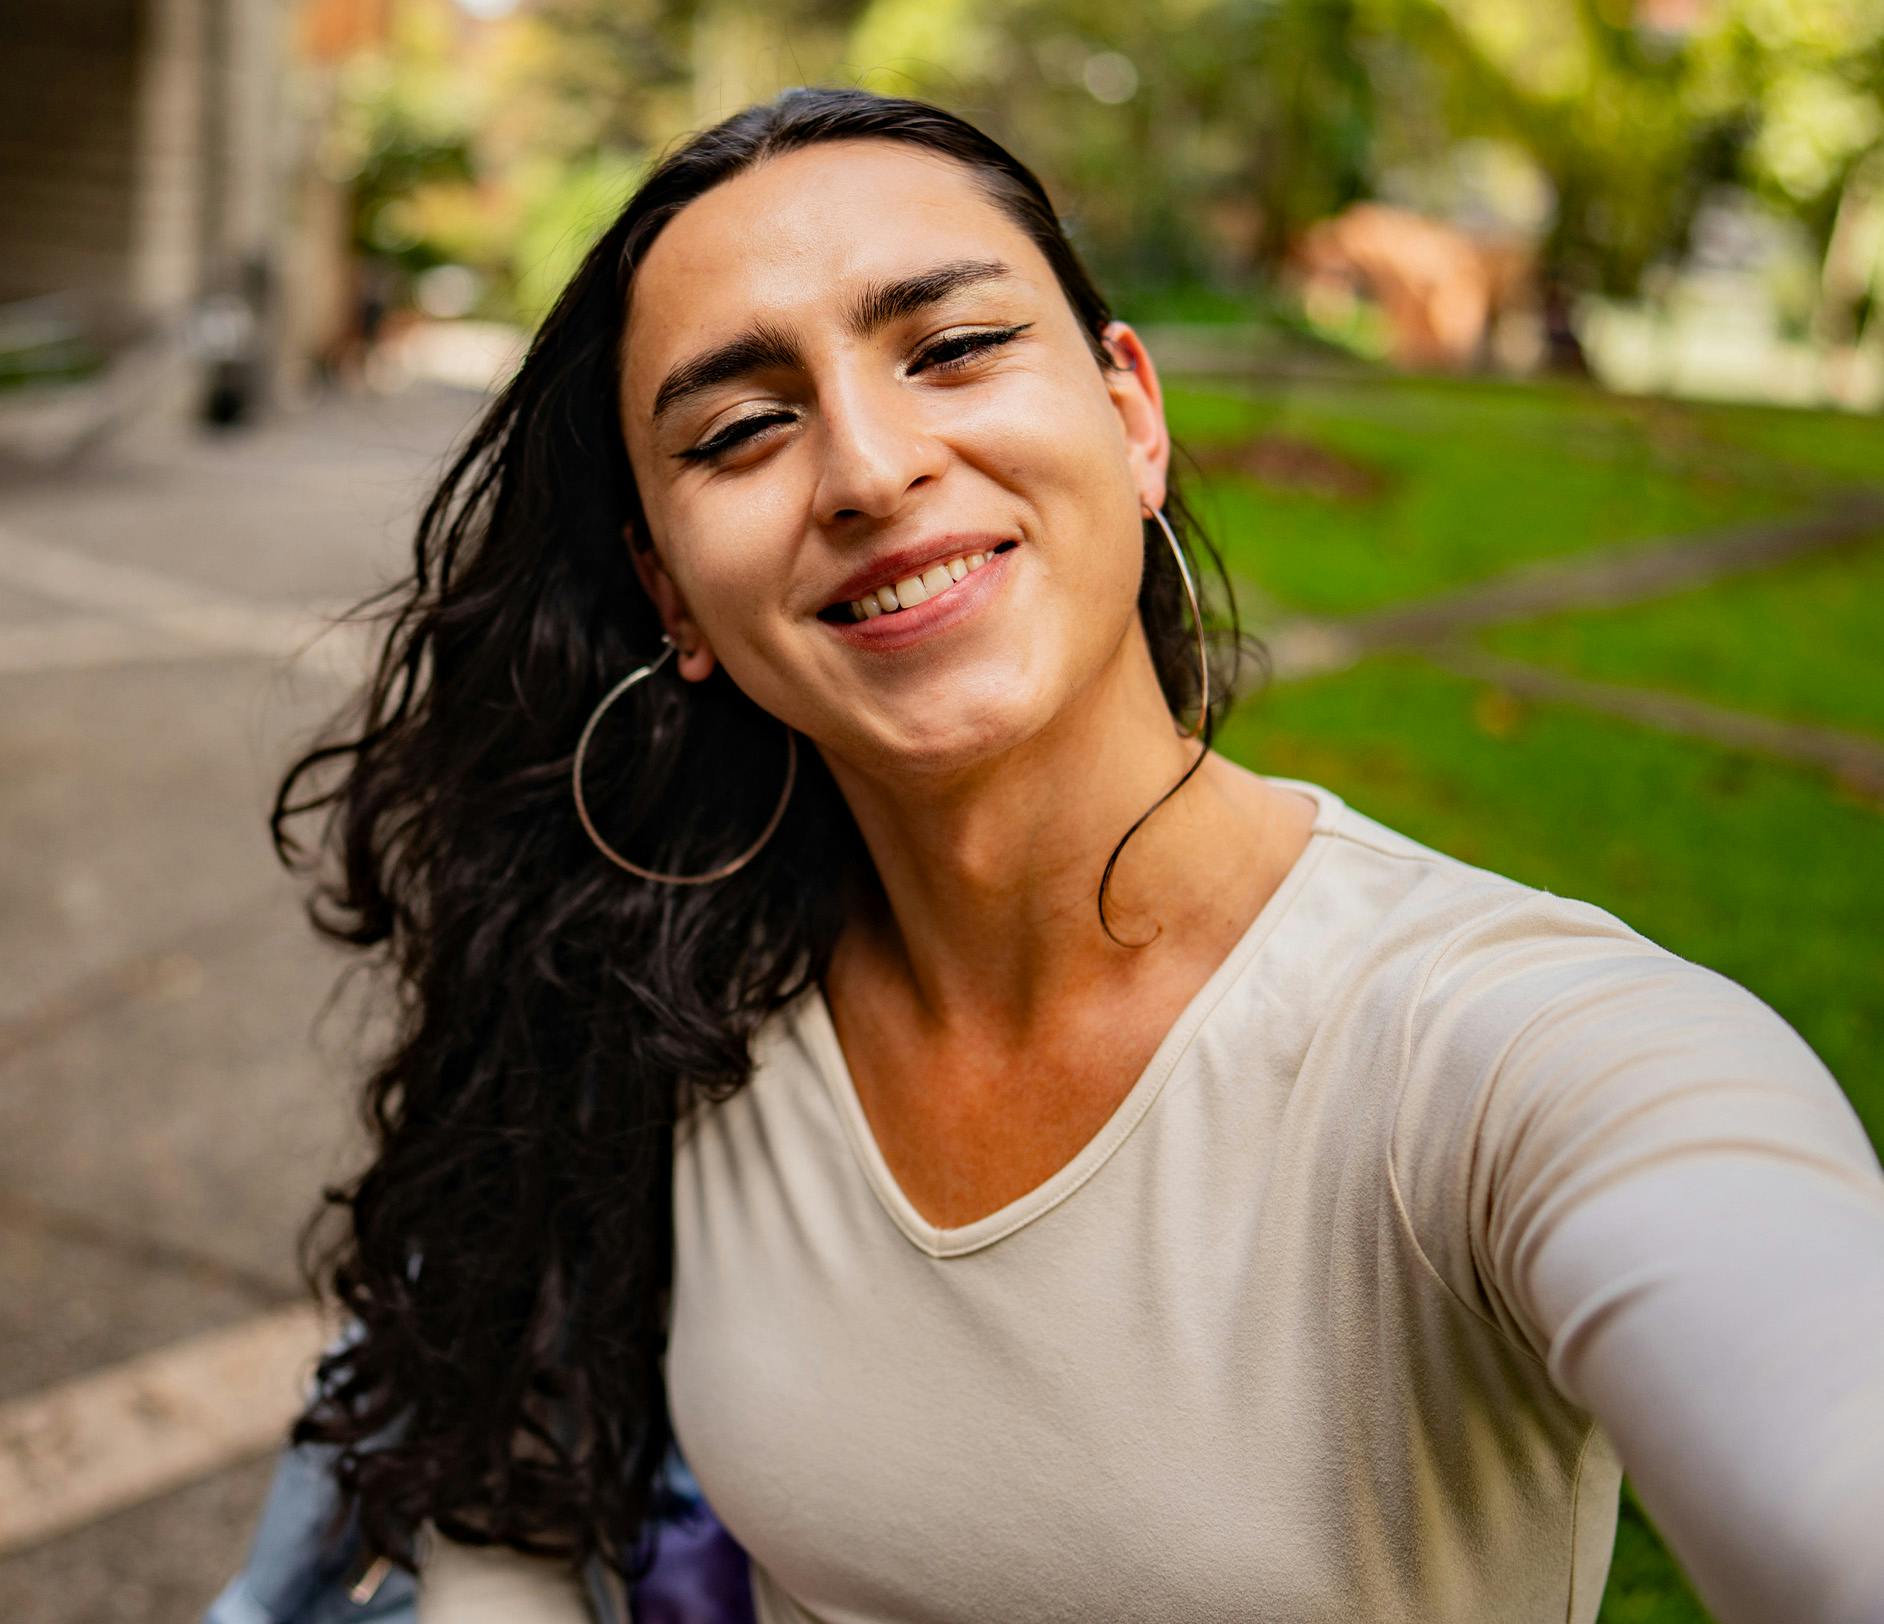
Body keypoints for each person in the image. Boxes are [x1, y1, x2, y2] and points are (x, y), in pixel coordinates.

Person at [271, 87, 1884, 1624]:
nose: (870, 469)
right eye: (745, 428)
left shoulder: (1511, 1053)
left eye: (955, 347)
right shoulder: (667, 989)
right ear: (671, 590)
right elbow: (501, 1494)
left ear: (1130, 416)